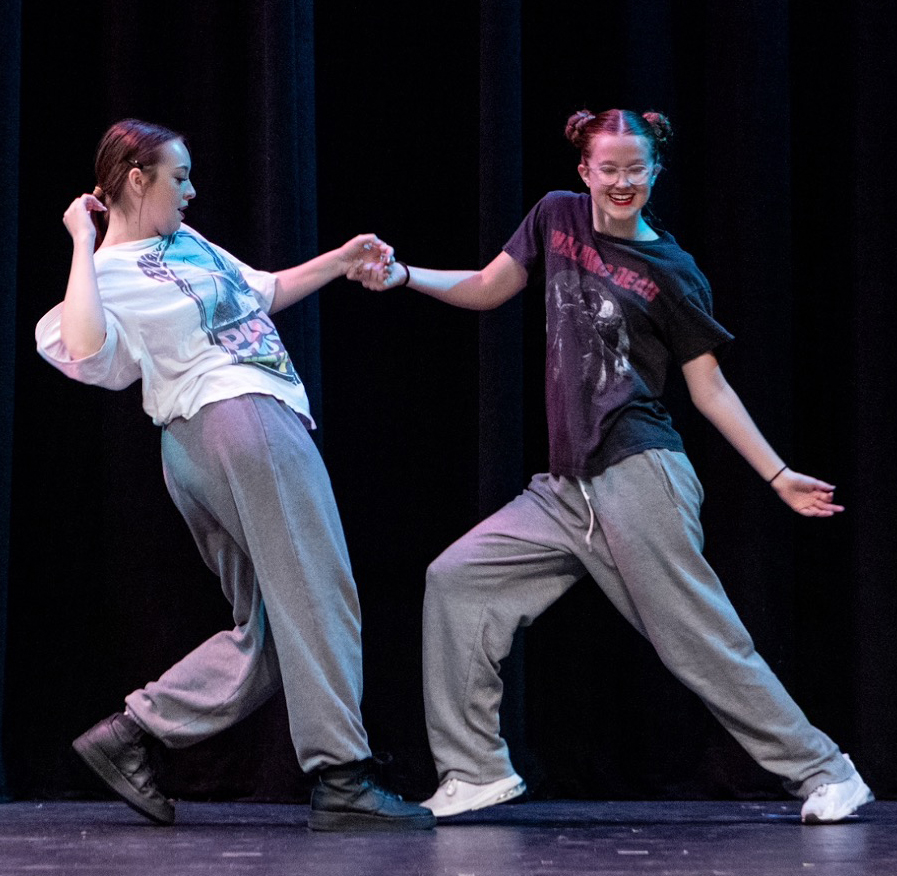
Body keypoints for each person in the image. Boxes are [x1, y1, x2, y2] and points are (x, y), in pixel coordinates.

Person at [355, 108, 874, 824]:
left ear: (654, 171)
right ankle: (474, 770)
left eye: (636, 169)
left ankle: (825, 770)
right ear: (584, 171)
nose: (621, 181)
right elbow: (486, 287)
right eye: (609, 168)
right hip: (566, 488)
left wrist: (776, 473)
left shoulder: (672, 271)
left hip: (639, 472)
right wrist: (404, 275)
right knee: (457, 579)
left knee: (695, 639)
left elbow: (708, 387)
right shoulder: (555, 217)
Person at [35, 118, 434, 833]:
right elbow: (87, 349)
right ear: (135, 180)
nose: (191, 190)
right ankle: (342, 779)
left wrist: (339, 261)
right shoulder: (108, 273)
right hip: (232, 418)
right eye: (178, 177)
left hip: (221, 435)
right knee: (319, 589)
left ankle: (133, 734)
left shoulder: (189, 245)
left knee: (276, 628)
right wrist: (83, 243)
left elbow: (262, 291)